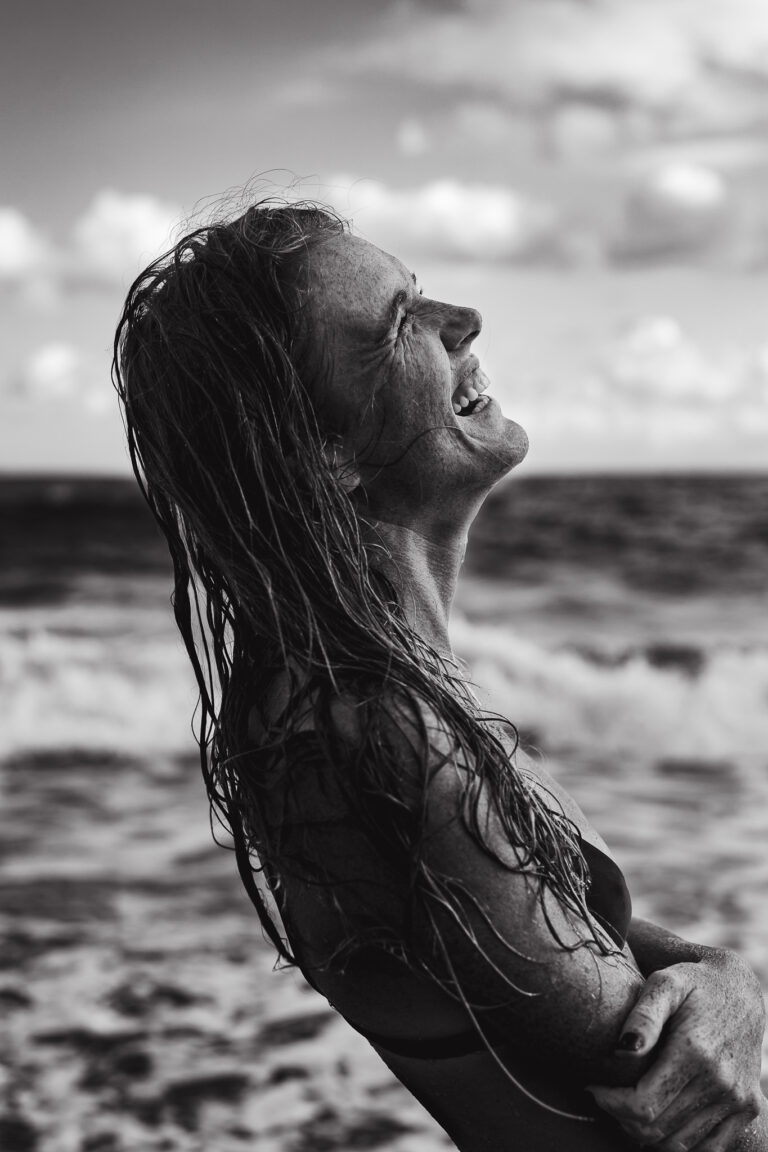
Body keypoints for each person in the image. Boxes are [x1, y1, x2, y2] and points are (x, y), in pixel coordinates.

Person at [113, 199, 767, 1151]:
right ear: (322, 451)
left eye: (419, 294)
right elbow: (688, 1109)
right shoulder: (370, 733)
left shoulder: (377, 695)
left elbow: (571, 939)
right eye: (396, 327)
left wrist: (728, 975)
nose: (462, 320)